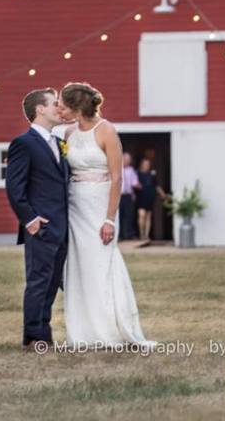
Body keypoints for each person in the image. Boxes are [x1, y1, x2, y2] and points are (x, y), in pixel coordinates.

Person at [57, 81, 153, 347]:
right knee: (78, 265)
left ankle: (110, 328)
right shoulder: (67, 133)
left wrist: (110, 218)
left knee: (101, 262)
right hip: (75, 205)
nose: (60, 111)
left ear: (77, 107)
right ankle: (82, 331)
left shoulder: (107, 131)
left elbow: (117, 177)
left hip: (101, 207)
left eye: (63, 106)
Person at [4, 87, 70, 351]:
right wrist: (29, 219)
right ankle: (33, 338)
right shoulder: (24, 143)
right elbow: (14, 187)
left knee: (52, 283)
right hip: (40, 226)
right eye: (55, 103)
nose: (59, 108)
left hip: (62, 226)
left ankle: (45, 335)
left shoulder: (57, 142)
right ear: (39, 109)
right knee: (38, 282)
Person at [135, 158, 166, 241]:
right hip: (141, 197)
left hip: (150, 197)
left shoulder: (152, 174)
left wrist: (163, 194)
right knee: (141, 215)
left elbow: (156, 186)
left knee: (148, 217)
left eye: (148, 164)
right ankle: (141, 234)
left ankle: (146, 235)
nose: (146, 166)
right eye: (145, 164)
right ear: (142, 164)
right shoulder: (137, 173)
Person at [118, 152, 140, 240]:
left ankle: (130, 234)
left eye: (128, 160)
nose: (127, 161)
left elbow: (134, 182)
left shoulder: (131, 170)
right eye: (125, 159)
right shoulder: (117, 168)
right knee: (119, 216)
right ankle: (119, 235)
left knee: (129, 216)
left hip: (128, 196)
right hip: (119, 196)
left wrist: (139, 185)